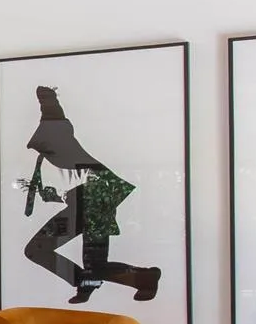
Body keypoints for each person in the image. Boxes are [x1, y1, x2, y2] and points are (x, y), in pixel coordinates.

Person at [16, 86, 159, 304]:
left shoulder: (65, 146)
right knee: (39, 250)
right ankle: (94, 280)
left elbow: (55, 120)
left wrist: (47, 99)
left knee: (88, 264)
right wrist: (56, 195)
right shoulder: (60, 156)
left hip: (96, 207)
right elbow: (78, 189)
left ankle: (138, 278)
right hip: (85, 206)